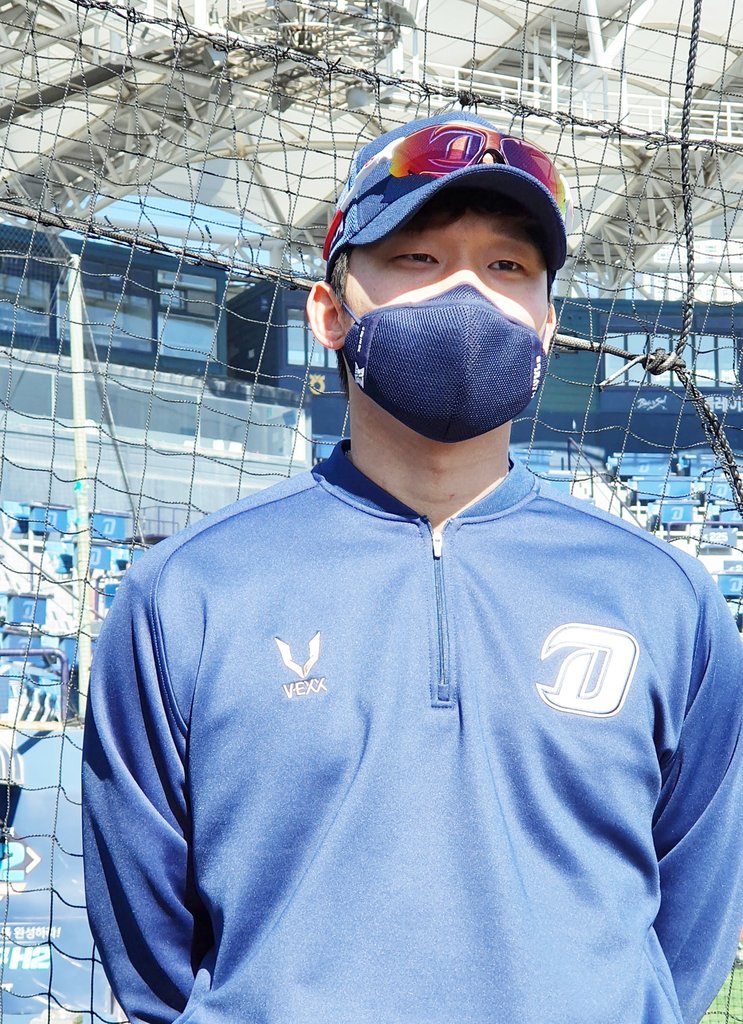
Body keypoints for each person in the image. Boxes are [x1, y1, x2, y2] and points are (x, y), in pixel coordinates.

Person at [82, 111, 743, 1024]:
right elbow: (151, 957)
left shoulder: (665, 596)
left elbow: (688, 930)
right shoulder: (186, 590)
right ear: (329, 313)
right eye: (418, 258)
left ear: (547, 326)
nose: (466, 291)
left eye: (506, 267)